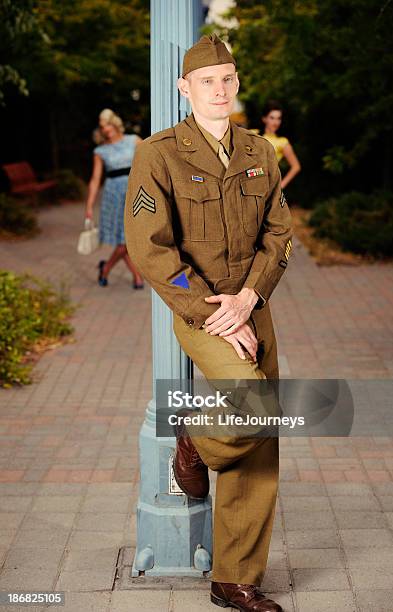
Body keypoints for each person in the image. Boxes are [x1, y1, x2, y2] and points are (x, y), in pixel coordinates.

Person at [124, 34, 293, 612]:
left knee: (263, 441)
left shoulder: (259, 152)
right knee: (256, 409)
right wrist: (212, 308)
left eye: (227, 78)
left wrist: (250, 297)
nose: (218, 90)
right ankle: (192, 443)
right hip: (199, 311)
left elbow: (279, 234)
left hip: (254, 308)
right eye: (205, 81)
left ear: (237, 82)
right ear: (184, 88)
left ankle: (234, 578)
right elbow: (149, 249)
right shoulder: (159, 152)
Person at [85, 108, 144, 289]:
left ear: (115, 123)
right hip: (113, 196)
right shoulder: (100, 151)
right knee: (123, 241)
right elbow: (95, 179)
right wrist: (89, 206)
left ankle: (105, 268)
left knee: (128, 240)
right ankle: (137, 277)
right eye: (103, 127)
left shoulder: (133, 140)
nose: (106, 129)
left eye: (108, 124)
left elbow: (150, 162)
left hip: (135, 193)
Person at [261, 100, 301, 190]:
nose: (276, 122)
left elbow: (296, 166)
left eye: (278, 118)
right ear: (264, 119)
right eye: (272, 118)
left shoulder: (282, 142)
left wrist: (281, 186)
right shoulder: (253, 134)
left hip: (267, 188)